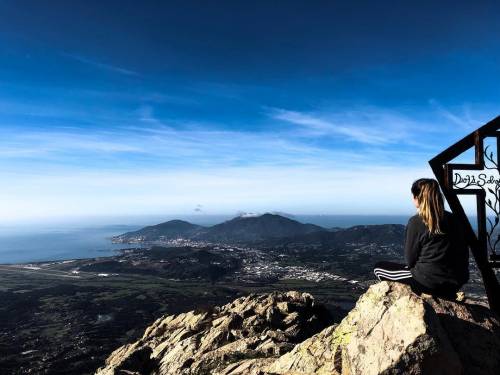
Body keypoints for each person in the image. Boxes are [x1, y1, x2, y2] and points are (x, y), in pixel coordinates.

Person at [373, 178, 469, 298]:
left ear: (417, 198)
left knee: (378, 268)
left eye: (413, 196)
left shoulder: (417, 222)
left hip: (428, 282)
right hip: (455, 283)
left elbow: (410, 260)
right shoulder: (455, 219)